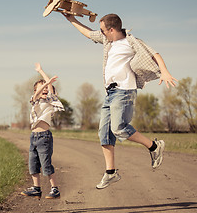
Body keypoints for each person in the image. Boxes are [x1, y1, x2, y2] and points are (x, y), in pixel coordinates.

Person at [63, 13, 177, 189]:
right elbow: (88, 33)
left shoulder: (131, 42)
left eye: (103, 30)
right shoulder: (108, 42)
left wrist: (165, 72)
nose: (101, 33)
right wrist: (70, 19)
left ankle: (154, 146)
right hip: (110, 93)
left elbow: (154, 54)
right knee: (104, 134)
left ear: (112, 29)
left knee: (119, 128)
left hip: (124, 91)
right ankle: (111, 173)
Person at [21, 63, 65, 199]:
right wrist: (44, 83)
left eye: (46, 89)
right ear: (35, 91)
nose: (45, 91)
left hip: (44, 137)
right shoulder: (34, 101)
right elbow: (36, 95)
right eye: (41, 89)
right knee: (33, 164)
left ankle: (55, 189)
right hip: (33, 137)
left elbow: (49, 89)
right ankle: (36, 189)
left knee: (46, 164)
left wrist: (42, 73)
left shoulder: (50, 101)